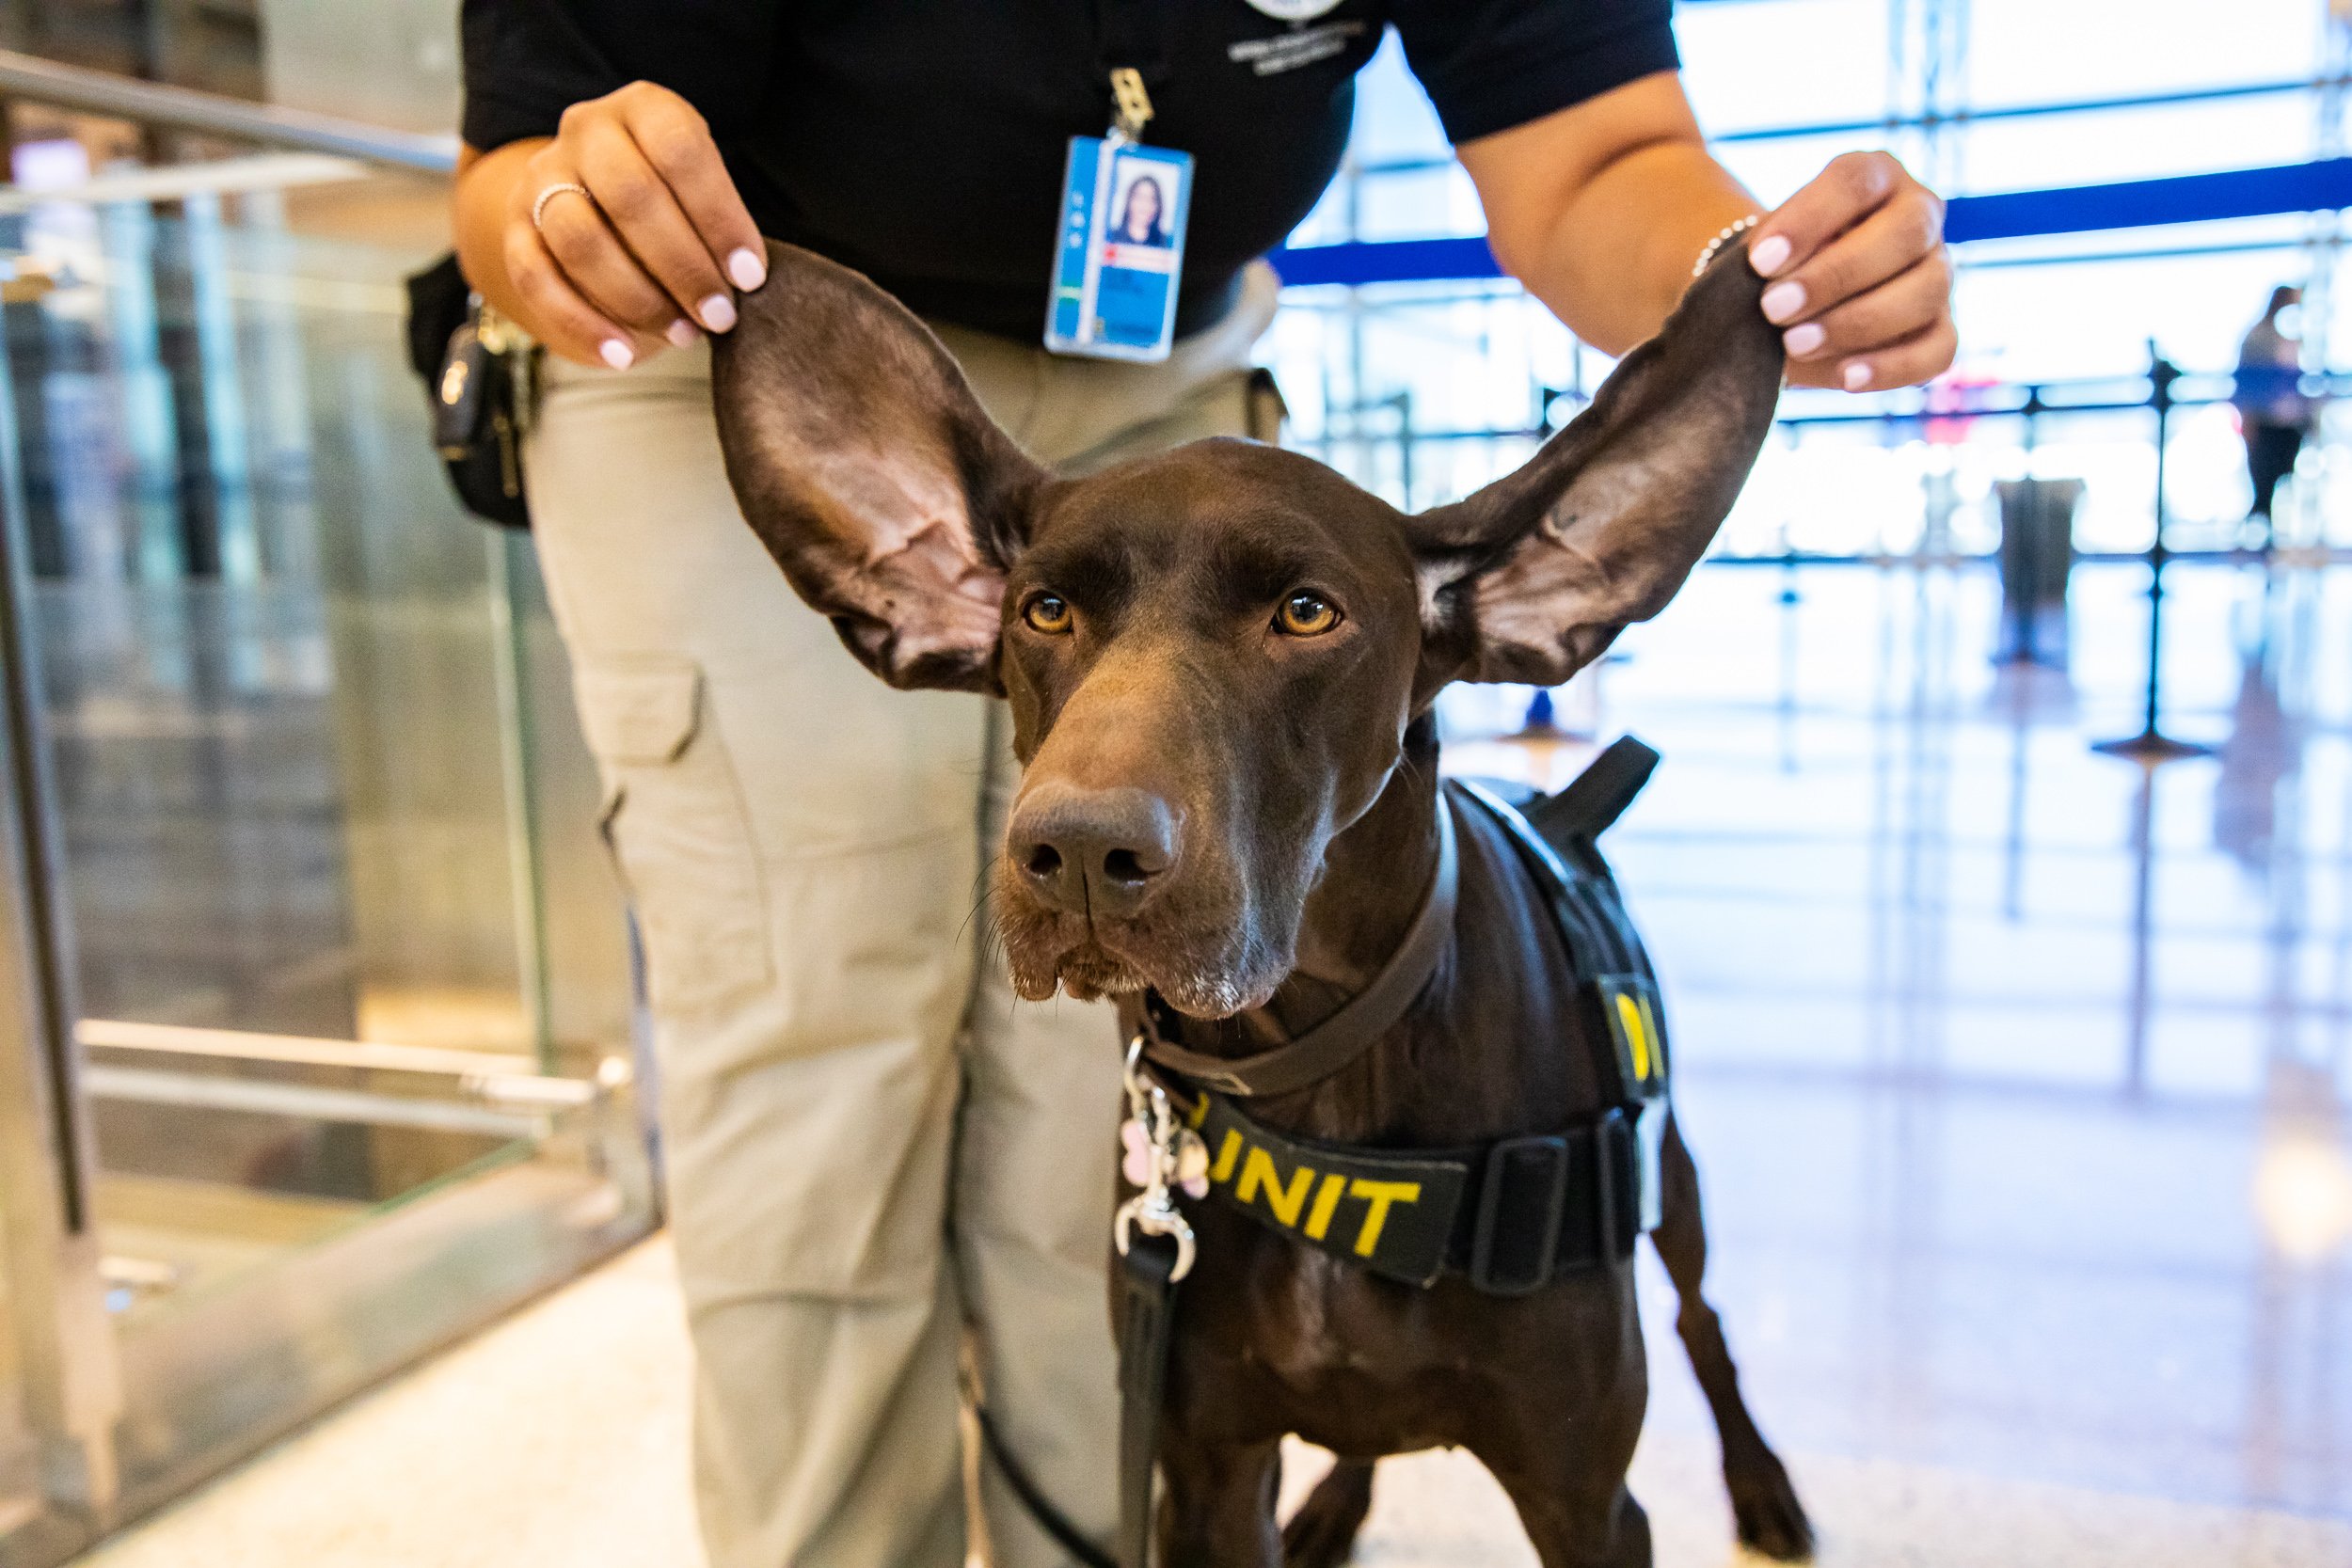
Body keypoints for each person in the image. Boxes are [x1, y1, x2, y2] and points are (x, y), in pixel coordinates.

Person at [451, 5, 1956, 1565]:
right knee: (819, 1069)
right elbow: (512, 164)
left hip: (1161, 358)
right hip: (759, 328)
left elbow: (1592, 148)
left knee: (1099, 1135)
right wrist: (566, 214)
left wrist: (1764, 272)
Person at [2235, 285, 2314, 538]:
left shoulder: (2284, 339)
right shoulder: (2260, 336)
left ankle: (2269, 534)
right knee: (2265, 486)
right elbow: (2249, 383)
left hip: (2283, 421)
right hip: (2267, 422)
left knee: (2277, 484)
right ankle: (2260, 535)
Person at [1115, 171, 1171, 246]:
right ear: (1129, 201)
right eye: (1140, 197)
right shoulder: (1111, 238)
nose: (1146, 204)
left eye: (1152, 199)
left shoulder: (1167, 244)